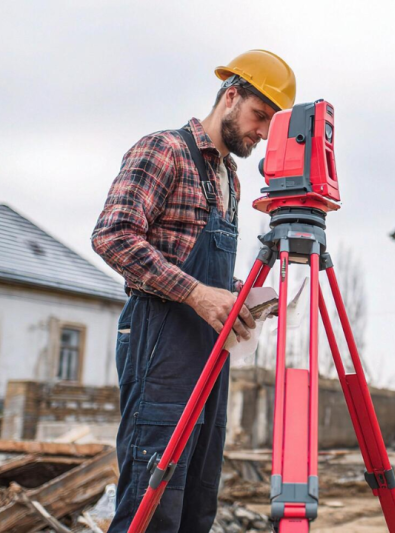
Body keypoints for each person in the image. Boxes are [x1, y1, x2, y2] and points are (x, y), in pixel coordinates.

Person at [91, 49, 296, 532]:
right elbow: (113, 235)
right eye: (259, 116)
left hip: (209, 354)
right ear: (230, 96)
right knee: (153, 502)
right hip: (159, 347)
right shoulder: (163, 150)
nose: (263, 132)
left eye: (272, 123)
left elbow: (205, 271)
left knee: (197, 499)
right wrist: (199, 295)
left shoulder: (231, 180)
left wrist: (242, 296)